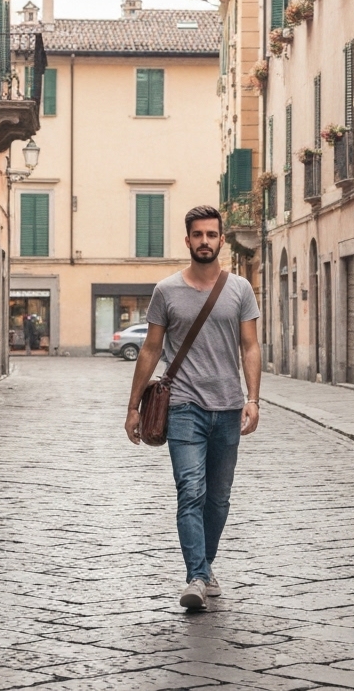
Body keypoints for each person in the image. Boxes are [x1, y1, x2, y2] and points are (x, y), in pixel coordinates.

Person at [125, 205, 261, 610]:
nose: (205, 241)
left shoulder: (239, 289)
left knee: (218, 498)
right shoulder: (166, 291)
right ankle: (197, 577)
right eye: (197, 235)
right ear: (187, 241)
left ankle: (206, 564)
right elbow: (150, 348)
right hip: (183, 405)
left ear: (221, 240)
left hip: (228, 406)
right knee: (191, 490)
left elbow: (250, 346)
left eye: (211, 234)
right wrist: (133, 406)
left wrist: (253, 398)